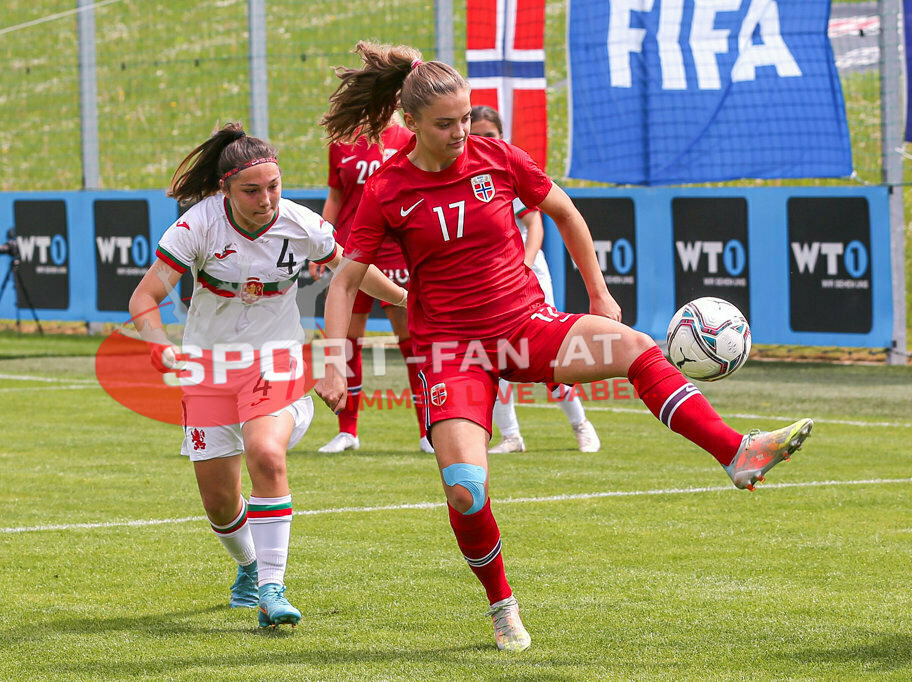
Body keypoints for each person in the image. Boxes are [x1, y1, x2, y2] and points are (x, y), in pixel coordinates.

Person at [315, 42, 814, 652]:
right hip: (452, 353)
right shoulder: (389, 188)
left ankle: (737, 452)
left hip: (528, 327)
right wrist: (335, 357)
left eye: (466, 117)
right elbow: (343, 279)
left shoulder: (496, 157)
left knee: (633, 346)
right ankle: (502, 606)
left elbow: (565, 212)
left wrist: (598, 294)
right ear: (411, 123)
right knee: (467, 489)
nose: (459, 131)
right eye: (445, 123)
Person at [129, 122, 407, 628]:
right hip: (209, 367)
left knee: (266, 452)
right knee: (218, 502)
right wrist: (158, 346)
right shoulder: (198, 226)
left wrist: (409, 299)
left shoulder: (303, 225)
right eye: (251, 191)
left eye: (273, 186)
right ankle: (250, 565)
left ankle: (272, 589)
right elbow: (144, 298)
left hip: (275, 361)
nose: (266, 199)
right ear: (225, 190)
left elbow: (353, 272)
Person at [468, 105, 600, 455]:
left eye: (490, 135)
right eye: (476, 134)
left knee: (550, 354)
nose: (482, 141)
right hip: (487, 281)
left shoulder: (506, 168)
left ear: (502, 136)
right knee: (490, 358)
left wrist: (522, 264)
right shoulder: (458, 176)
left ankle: (581, 425)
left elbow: (536, 224)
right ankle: (511, 436)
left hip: (527, 273)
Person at [310, 119, 434, 454]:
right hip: (353, 253)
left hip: (397, 251)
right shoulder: (341, 142)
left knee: (412, 343)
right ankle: (347, 430)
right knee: (348, 341)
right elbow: (336, 196)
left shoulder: (410, 138)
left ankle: (428, 431)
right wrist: (325, 241)